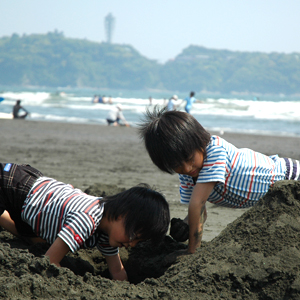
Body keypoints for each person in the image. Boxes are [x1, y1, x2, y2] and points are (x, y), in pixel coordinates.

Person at [138, 107, 300, 254]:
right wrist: (186, 224)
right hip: (272, 200)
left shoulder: (215, 152)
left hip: (290, 178)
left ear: (199, 141)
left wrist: (192, 251)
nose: (187, 169)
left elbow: (198, 203)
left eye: (189, 158)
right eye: (176, 165)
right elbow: (199, 210)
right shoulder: (188, 174)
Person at [0, 163, 170, 281]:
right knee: (42, 246)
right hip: (13, 186)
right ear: (122, 214)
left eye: (138, 242)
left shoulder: (108, 230)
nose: (132, 244)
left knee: (36, 242)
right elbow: (49, 261)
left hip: (32, 206)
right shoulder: (87, 220)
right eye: (133, 236)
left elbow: (117, 270)